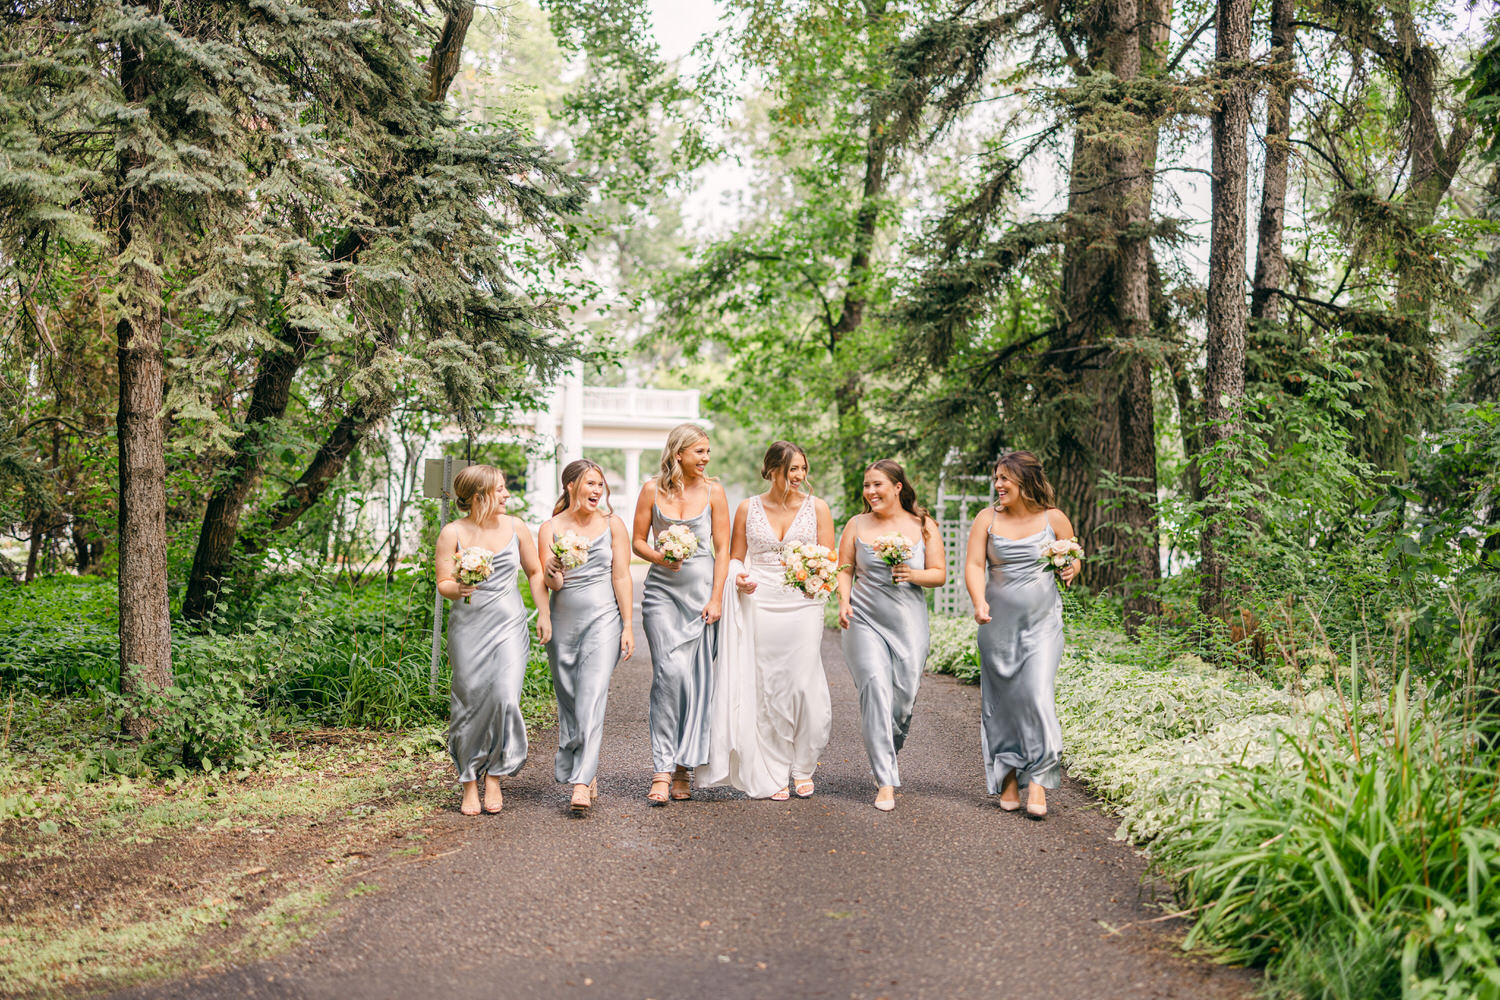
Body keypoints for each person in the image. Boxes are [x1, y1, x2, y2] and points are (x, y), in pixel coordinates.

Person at [702, 442, 835, 800]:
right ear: (773, 469)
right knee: (768, 686)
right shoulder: (748, 507)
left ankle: (804, 765)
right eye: (793, 469)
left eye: (803, 469)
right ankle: (774, 768)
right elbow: (735, 558)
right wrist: (740, 577)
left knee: (802, 684)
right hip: (760, 600)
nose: (800, 476)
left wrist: (817, 580)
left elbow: (829, 558)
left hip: (804, 603)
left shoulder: (817, 508)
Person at [962, 450, 1080, 820]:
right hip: (996, 622)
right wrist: (979, 602)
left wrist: (1071, 568)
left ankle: (1040, 782)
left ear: (1025, 482)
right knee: (1001, 705)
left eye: (1004, 479)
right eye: (996, 479)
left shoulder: (1054, 519)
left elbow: (1073, 554)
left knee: (1036, 695)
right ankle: (1009, 779)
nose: (997, 486)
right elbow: (974, 564)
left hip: (1043, 624)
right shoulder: (987, 519)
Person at [434, 465, 550, 816]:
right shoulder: (452, 532)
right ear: (480, 495)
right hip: (468, 628)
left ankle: (495, 775)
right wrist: (460, 587)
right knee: (468, 702)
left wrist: (543, 613)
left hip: (509, 627)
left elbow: (534, 571)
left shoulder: (516, 527)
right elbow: (443, 583)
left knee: (505, 698)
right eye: (500, 489)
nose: (507, 495)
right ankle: (469, 780)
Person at [836, 460, 946, 812]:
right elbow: (844, 568)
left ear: (898, 487)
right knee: (875, 688)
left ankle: (886, 750)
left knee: (902, 700)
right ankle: (885, 780)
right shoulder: (856, 524)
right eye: (866, 486)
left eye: (877, 485)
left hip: (908, 622)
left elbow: (940, 574)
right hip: (864, 618)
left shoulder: (923, 525)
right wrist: (843, 601)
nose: (870, 492)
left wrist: (912, 574)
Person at [632, 423, 730, 805]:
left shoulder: (714, 493)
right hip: (660, 593)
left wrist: (717, 598)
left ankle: (683, 768)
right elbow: (638, 540)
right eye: (700, 452)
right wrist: (660, 556)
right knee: (669, 674)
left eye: (707, 451)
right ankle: (661, 768)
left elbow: (722, 550)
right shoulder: (650, 490)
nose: (706, 459)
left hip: (702, 596)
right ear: (678, 454)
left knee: (696, 682)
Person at [538, 459, 634, 815]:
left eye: (600, 485)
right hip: (564, 622)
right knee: (571, 700)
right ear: (571, 486)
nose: (597, 491)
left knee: (592, 696)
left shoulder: (614, 525)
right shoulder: (550, 528)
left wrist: (627, 624)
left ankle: (581, 782)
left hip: (604, 620)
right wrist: (551, 570)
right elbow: (553, 584)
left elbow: (622, 577)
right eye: (590, 484)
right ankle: (582, 763)